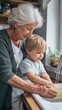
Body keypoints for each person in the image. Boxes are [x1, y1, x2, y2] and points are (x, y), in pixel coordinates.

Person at [0, 3, 57, 110]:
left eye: (33, 30)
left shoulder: (23, 43)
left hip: (16, 95)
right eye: (28, 28)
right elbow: (6, 74)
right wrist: (37, 89)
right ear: (17, 23)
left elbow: (31, 67)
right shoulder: (2, 40)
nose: (30, 34)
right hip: (3, 97)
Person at [12, 34, 55, 110]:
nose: (41, 55)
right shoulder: (25, 63)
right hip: (18, 92)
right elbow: (32, 77)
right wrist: (47, 83)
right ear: (28, 50)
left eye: (43, 53)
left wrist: (50, 82)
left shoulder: (39, 63)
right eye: (38, 53)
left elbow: (44, 74)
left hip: (28, 90)